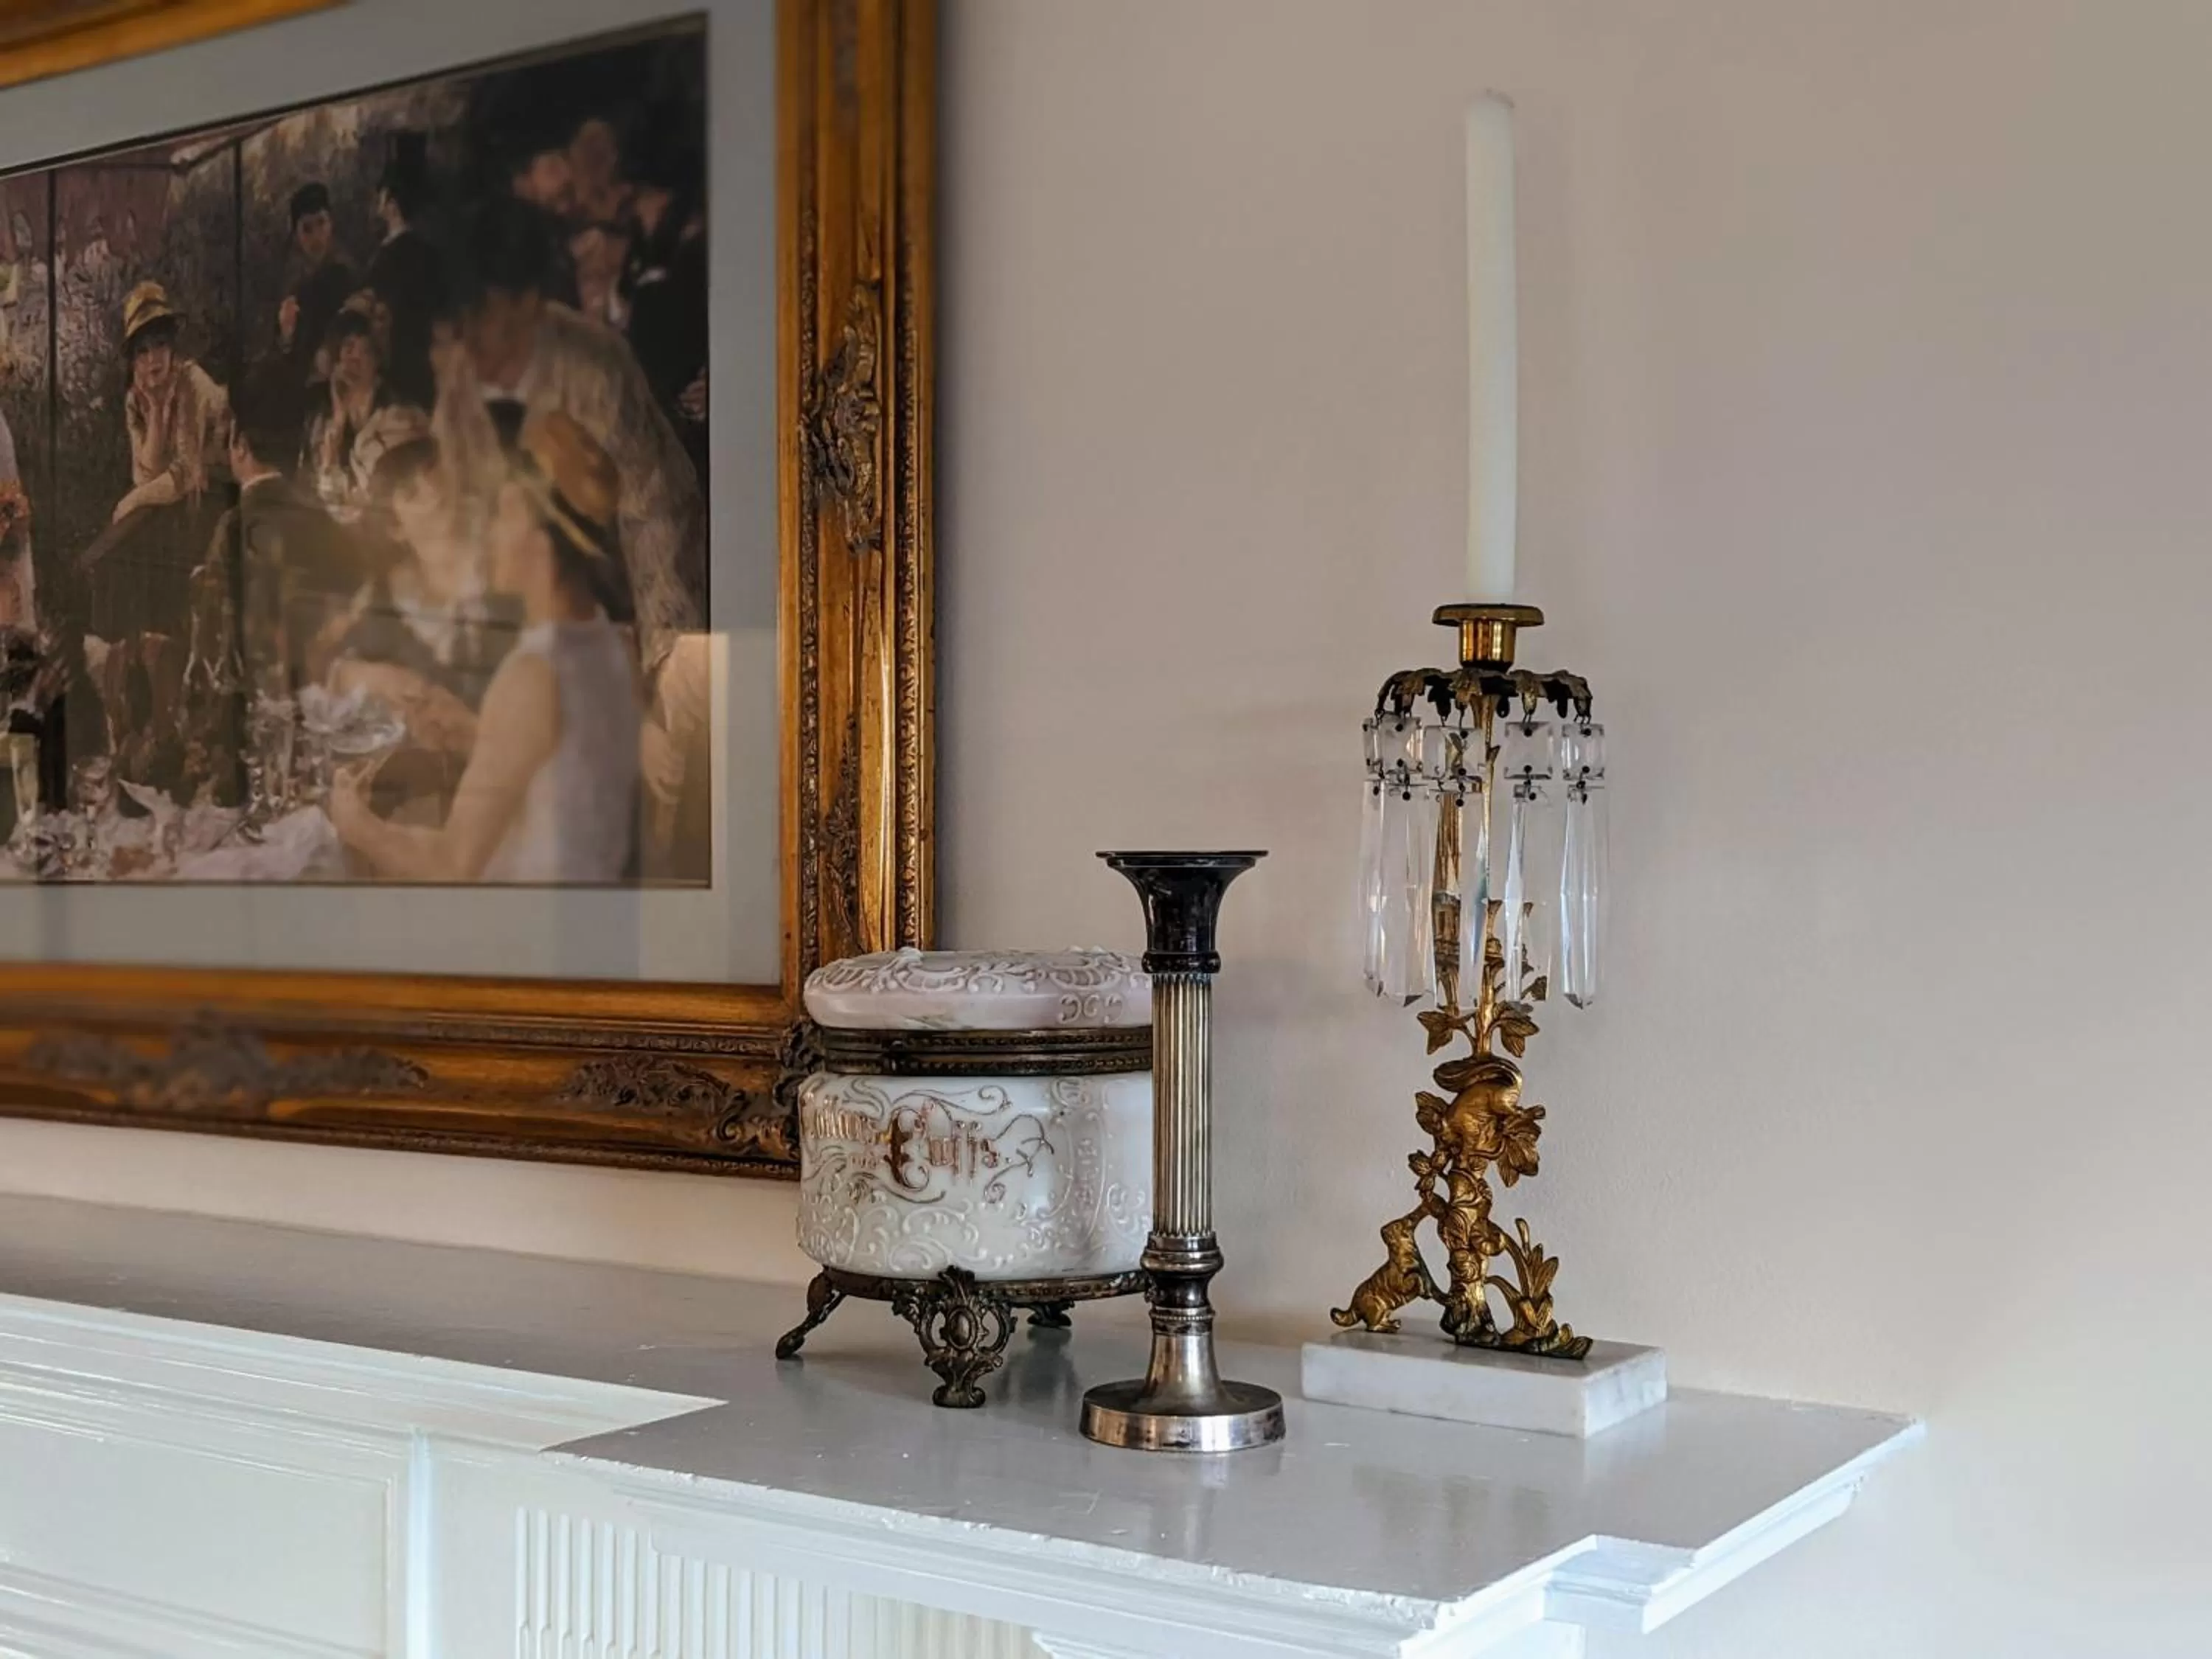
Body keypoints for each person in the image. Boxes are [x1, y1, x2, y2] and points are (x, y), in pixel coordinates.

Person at [440, 195, 707, 876]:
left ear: (533, 307)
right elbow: (461, 505)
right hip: (524, 599)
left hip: (622, 604)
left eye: (496, 328)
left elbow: (658, 525)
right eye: (468, 327)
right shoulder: (461, 374)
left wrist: (653, 685)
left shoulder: (597, 368)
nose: (479, 350)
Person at [330, 410, 639, 883]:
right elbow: (559, 775)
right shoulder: (600, 638)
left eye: (505, 514)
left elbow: (451, 864)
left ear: (541, 539)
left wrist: (356, 825)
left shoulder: (532, 673)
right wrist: (476, 733)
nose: (490, 530)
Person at [300, 295, 426, 521]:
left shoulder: (400, 419)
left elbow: (358, 510)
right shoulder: (322, 420)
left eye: (366, 350)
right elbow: (317, 499)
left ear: (379, 362)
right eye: (348, 347)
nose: (354, 358)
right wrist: (338, 421)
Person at [112, 280, 227, 525]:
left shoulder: (191, 382)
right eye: (143, 351)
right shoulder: (136, 399)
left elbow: (186, 471)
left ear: (172, 347)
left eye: (160, 345)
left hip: (230, 482)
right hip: (200, 497)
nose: (153, 359)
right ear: (133, 360)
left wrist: (132, 502)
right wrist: (156, 410)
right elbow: (145, 476)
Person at [366, 131, 444, 410]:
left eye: (382, 195)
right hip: (430, 368)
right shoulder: (430, 252)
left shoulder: (386, 260)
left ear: (391, 203)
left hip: (400, 371)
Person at [277, 182, 358, 400]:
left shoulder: (343, 275)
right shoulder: (299, 287)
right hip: (312, 395)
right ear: (297, 236)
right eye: (307, 229)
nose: (316, 236)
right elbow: (294, 358)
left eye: (321, 223)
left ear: (331, 224)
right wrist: (287, 334)